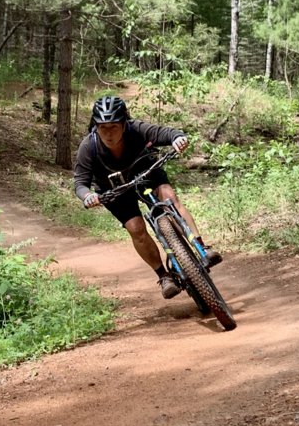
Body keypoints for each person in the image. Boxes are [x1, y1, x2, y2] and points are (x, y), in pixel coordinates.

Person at [74, 95, 222, 299]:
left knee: (169, 197)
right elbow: (80, 183)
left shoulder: (136, 129)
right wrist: (88, 195)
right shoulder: (88, 147)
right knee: (136, 229)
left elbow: (166, 133)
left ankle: (200, 247)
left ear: (124, 124)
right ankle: (164, 276)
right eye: (103, 127)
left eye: (114, 126)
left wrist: (178, 138)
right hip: (114, 189)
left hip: (146, 172)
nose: (108, 133)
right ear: (95, 126)